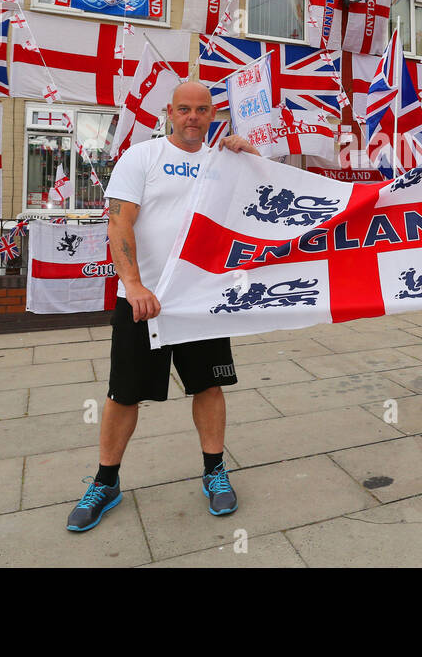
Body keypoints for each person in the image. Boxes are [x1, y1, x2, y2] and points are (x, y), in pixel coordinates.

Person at [67, 81, 258, 532]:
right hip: (143, 300)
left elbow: (266, 206)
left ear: (214, 114)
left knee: (209, 388)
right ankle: (106, 481)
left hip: (199, 300)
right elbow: (119, 221)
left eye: (203, 110)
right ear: (170, 112)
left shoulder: (223, 162)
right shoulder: (142, 157)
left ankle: (214, 471)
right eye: (185, 109)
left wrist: (252, 159)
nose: (194, 117)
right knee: (124, 393)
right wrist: (132, 284)